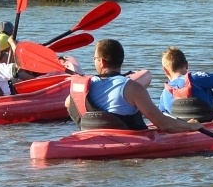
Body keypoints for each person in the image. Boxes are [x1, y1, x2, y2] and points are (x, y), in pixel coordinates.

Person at [66, 39, 202, 133]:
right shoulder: (133, 88)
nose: (94, 61)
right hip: (127, 144)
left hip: (92, 141)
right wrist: (189, 126)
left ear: (102, 62)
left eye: (94, 59)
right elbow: (164, 124)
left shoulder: (85, 86)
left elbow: (68, 103)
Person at [158, 47, 213, 123]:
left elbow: (162, 119)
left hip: (183, 130)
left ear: (165, 70)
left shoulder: (164, 93)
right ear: (187, 64)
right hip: (212, 126)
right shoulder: (197, 78)